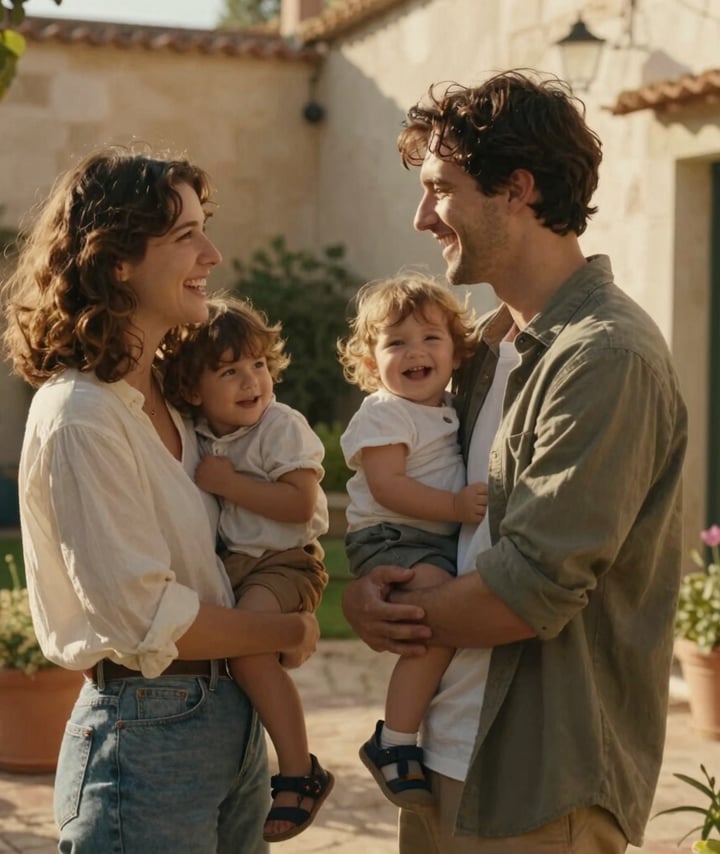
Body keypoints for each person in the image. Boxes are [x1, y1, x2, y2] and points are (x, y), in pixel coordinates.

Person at [341, 70, 688, 854]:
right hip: (439, 752)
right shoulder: (483, 353)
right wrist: (365, 589)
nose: (422, 215)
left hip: (537, 780)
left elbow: (530, 590)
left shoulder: (606, 356)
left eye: (442, 188)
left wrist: (387, 613)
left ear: (518, 189)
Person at [0, 145, 321, 854]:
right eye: (184, 236)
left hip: (227, 719)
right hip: (147, 733)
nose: (212, 252)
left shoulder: (176, 408)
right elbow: (145, 615)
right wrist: (283, 633)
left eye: (205, 227)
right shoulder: (81, 415)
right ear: (116, 262)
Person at [160, 295, 334, 843]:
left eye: (257, 365)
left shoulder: (280, 426)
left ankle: (300, 770)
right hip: (238, 566)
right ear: (192, 391)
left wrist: (228, 483)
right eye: (229, 371)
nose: (250, 380)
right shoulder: (199, 430)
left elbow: (300, 505)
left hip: (286, 562)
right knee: (234, 653)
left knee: (248, 649)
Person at [336, 273, 486, 808]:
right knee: (434, 624)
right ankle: (394, 740)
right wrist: (453, 506)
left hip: (428, 538)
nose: (414, 352)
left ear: (455, 350)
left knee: (440, 623)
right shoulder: (385, 411)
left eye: (430, 339)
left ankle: (403, 735)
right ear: (371, 360)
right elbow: (387, 485)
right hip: (394, 538)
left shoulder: (444, 406)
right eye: (395, 342)